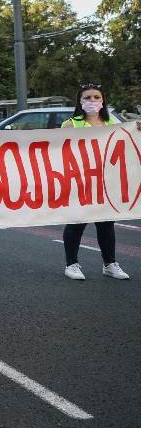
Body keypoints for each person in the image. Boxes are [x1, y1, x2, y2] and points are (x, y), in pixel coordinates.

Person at [61, 83, 136, 280]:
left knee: (106, 223)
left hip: (106, 181)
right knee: (77, 222)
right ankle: (71, 264)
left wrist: (136, 129)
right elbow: (62, 151)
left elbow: (128, 143)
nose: (92, 101)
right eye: (87, 97)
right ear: (80, 101)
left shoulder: (113, 122)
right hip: (81, 180)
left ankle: (109, 264)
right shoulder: (71, 124)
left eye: (96, 97)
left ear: (103, 101)